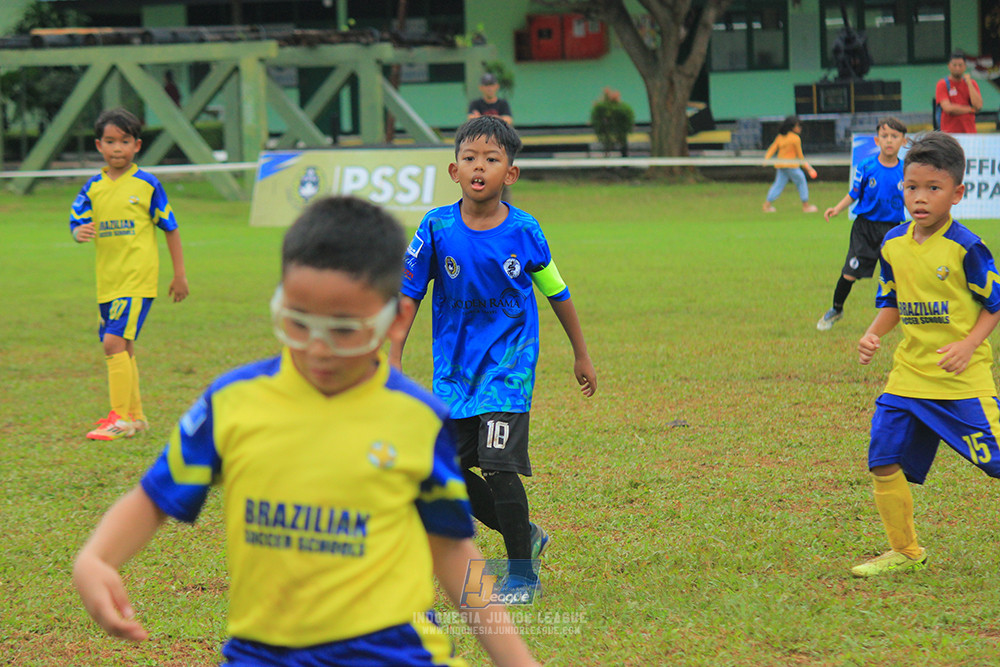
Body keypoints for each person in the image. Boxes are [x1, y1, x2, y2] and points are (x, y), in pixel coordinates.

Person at [73, 196, 540, 667]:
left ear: (392, 320)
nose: (318, 348)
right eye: (298, 323)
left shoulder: (416, 418)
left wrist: (518, 660)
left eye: (343, 330)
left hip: (392, 653)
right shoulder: (234, 403)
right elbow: (155, 497)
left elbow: (452, 550)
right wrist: (95, 558)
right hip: (262, 654)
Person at [390, 116, 596, 598]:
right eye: (469, 158)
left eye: (492, 159)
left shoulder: (524, 231)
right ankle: (527, 536)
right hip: (455, 375)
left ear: (511, 174)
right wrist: (393, 359)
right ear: (453, 170)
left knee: (500, 467)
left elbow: (557, 292)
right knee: (446, 472)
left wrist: (580, 354)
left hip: (509, 367)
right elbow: (408, 296)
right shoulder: (436, 227)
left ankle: (522, 573)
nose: (479, 167)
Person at [852, 131, 1000, 578]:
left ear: (957, 193)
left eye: (933, 189)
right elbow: (893, 302)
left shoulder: (967, 247)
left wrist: (968, 344)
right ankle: (906, 550)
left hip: (961, 381)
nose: (920, 198)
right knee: (882, 459)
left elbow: (994, 305)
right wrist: (873, 334)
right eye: (912, 187)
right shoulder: (893, 244)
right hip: (909, 377)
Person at [70, 107, 188, 441]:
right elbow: (77, 218)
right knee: (124, 347)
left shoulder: (148, 185)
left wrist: (179, 275)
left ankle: (119, 418)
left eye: (124, 141)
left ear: (137, 145)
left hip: (137, 280)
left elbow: (171, 228)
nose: (117, 148)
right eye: (110, 141)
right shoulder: (93, 187)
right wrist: (77, 231)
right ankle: (136, 418)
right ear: (98, 146)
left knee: (112, 343)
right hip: (107, 281)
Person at [816, 117, 908, 331]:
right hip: (865, 228)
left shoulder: (906, 170)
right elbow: (854, 194)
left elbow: (911, 199)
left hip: (893, 229)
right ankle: (836, 309)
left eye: (894, 136)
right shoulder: (866, 166)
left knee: (900, 275)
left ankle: (908, 313)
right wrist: (837, 208)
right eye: (884, 136)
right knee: (850, 272)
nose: (889, 141)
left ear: (904, 141)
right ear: (877, 140)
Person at [762, 115, 819, 214]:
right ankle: (806, 206)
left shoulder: (780, 137)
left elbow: (772, 149)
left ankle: (767, 205)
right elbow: (800, 157)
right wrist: (809, 169)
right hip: (791, 166)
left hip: (781, 166)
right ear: (792, 127)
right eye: (798, 126)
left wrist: (766, 160)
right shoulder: (795, 138)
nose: (800, 128)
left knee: (778, 185)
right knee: (801, 181)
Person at [935, 51, 983, 134]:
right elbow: (948, 108)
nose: (957, 68)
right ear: (949, 66)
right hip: (949, 135)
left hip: (970, 133)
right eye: (954, 65)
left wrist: (969, 83)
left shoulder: (972, 83)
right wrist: (971, 109)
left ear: (965, 67)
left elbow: (978, 106)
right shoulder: (942, 84)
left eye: (960, 65)